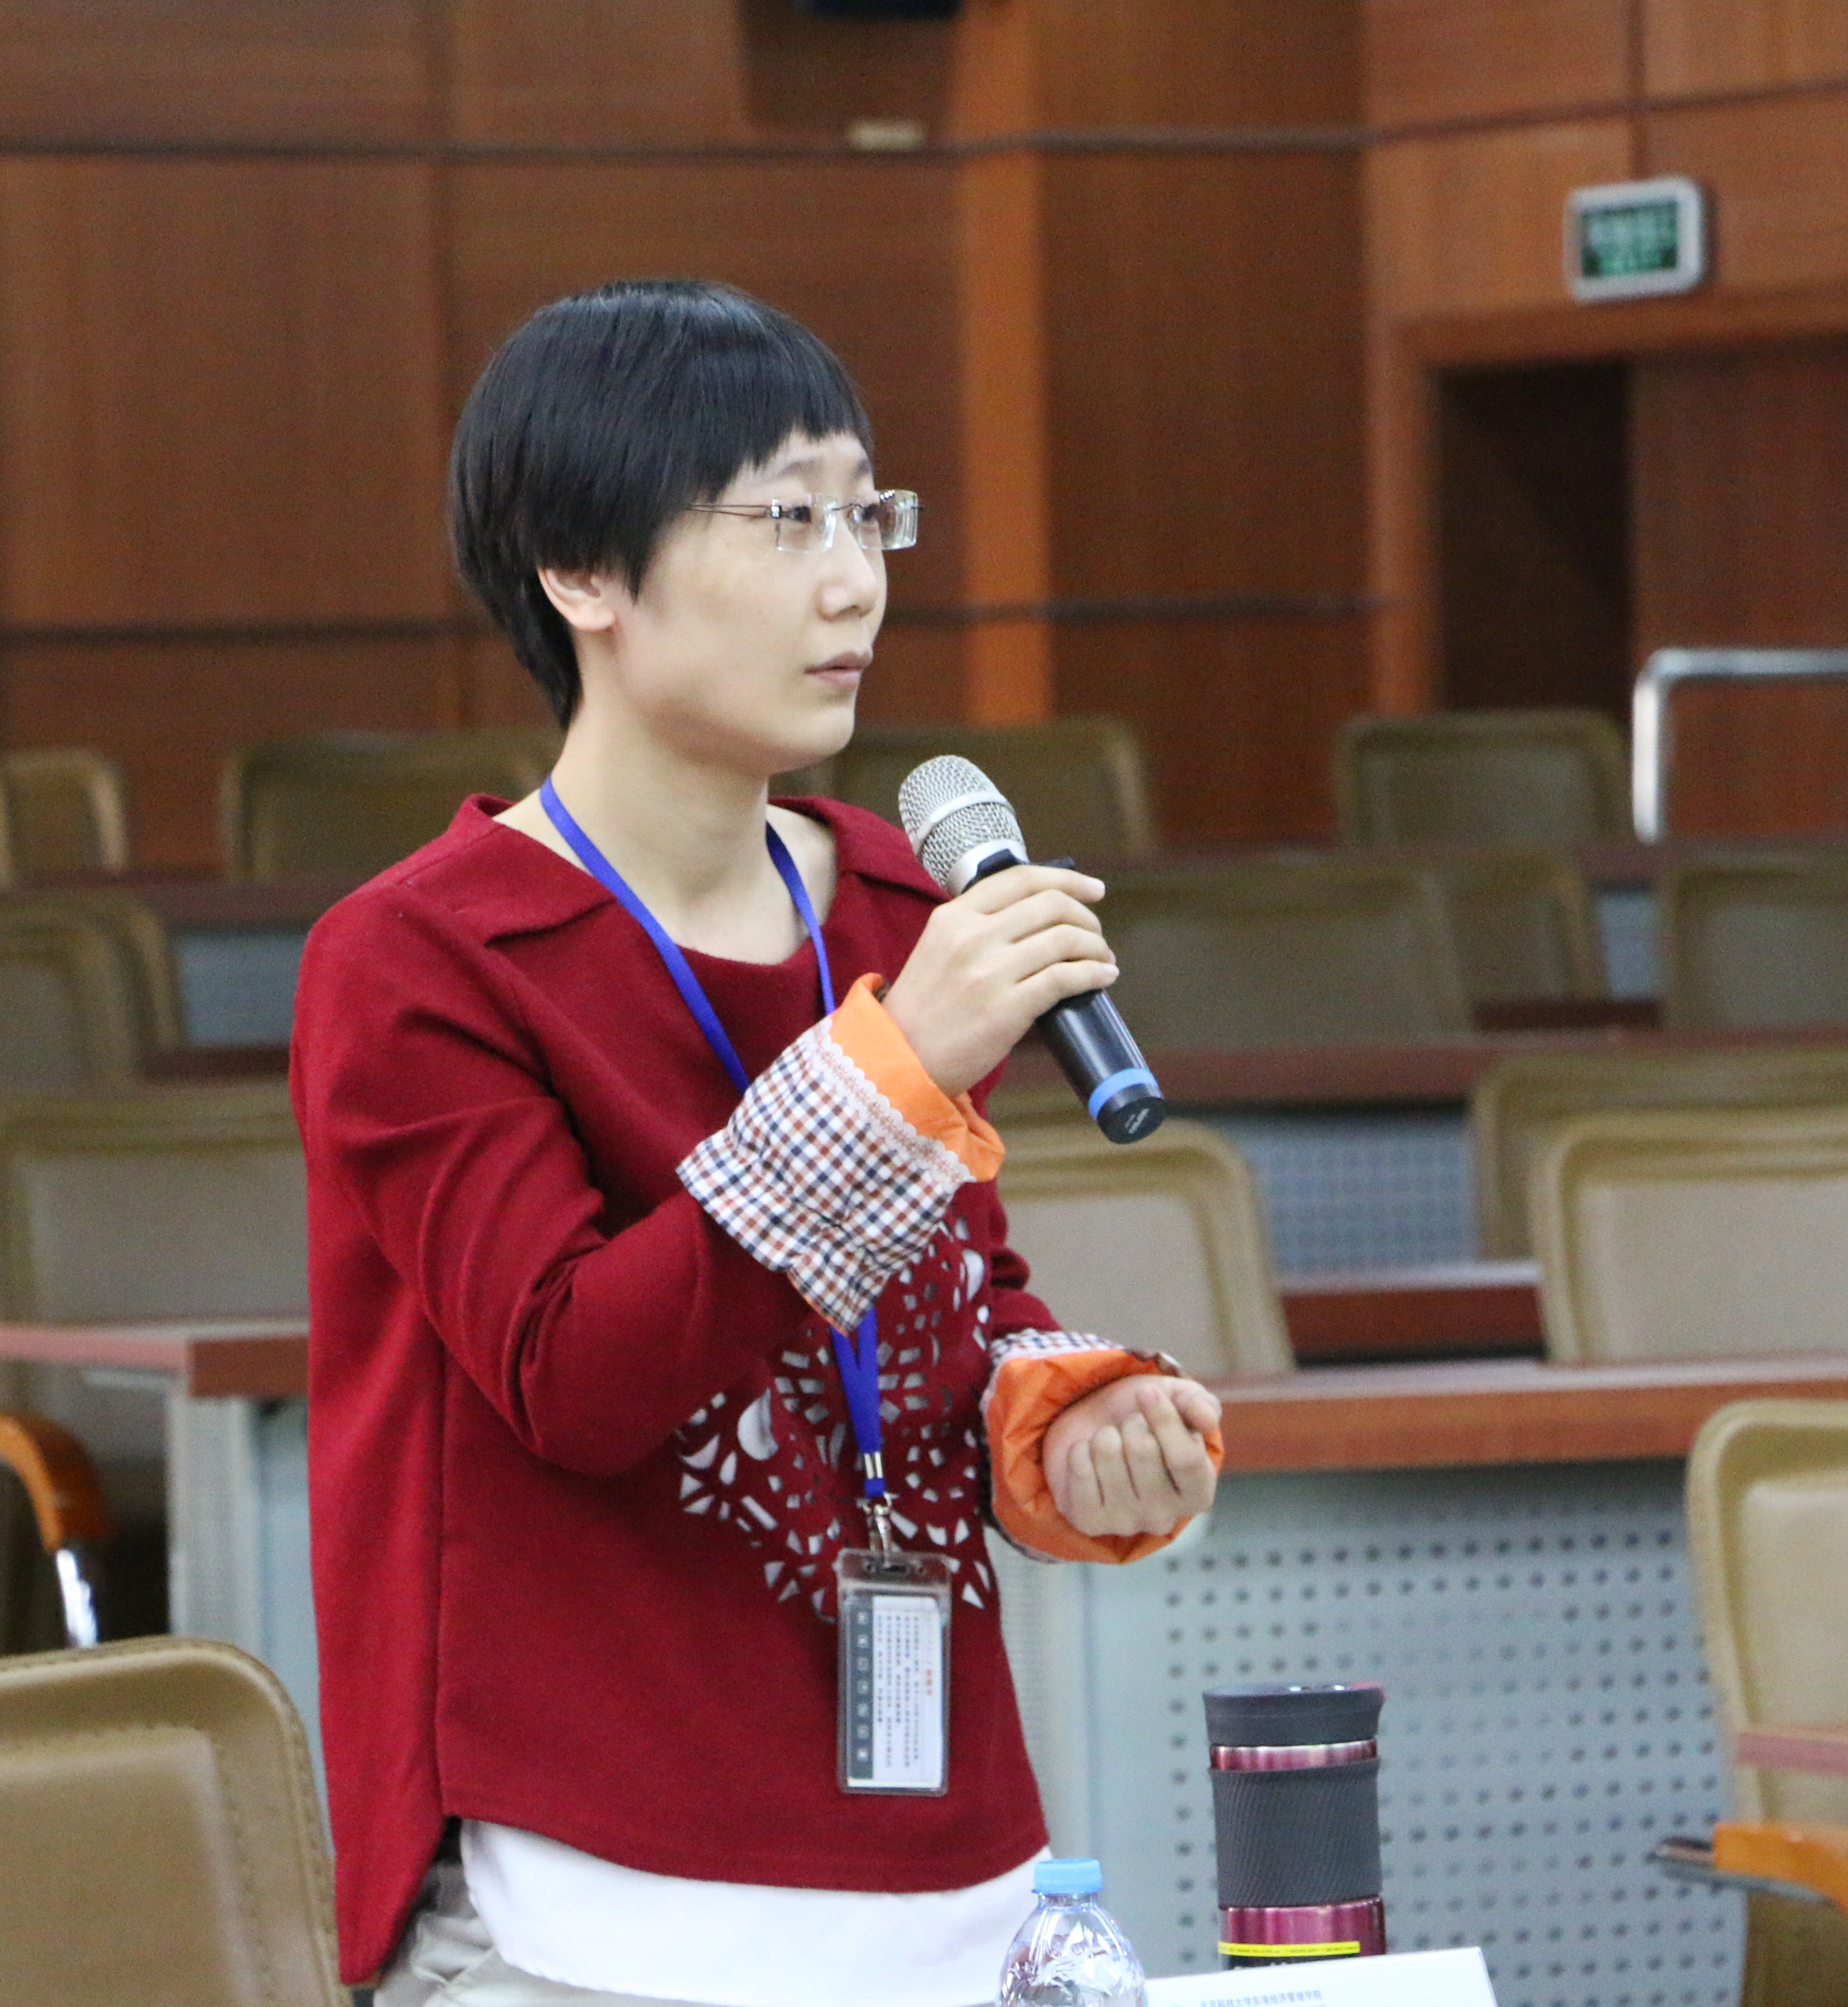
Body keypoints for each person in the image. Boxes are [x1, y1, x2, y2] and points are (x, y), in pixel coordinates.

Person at [295, 278, 1225, 2007]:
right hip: (588, 1884)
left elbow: (951, 1299)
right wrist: (893, 1071)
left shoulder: (890, 900)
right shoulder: (424, 955)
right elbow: (574, 1375)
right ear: (583, 572)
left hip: (937, 1864)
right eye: (787, 519)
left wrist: (1068, 1413)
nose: (853, 578)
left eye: (870, 514)